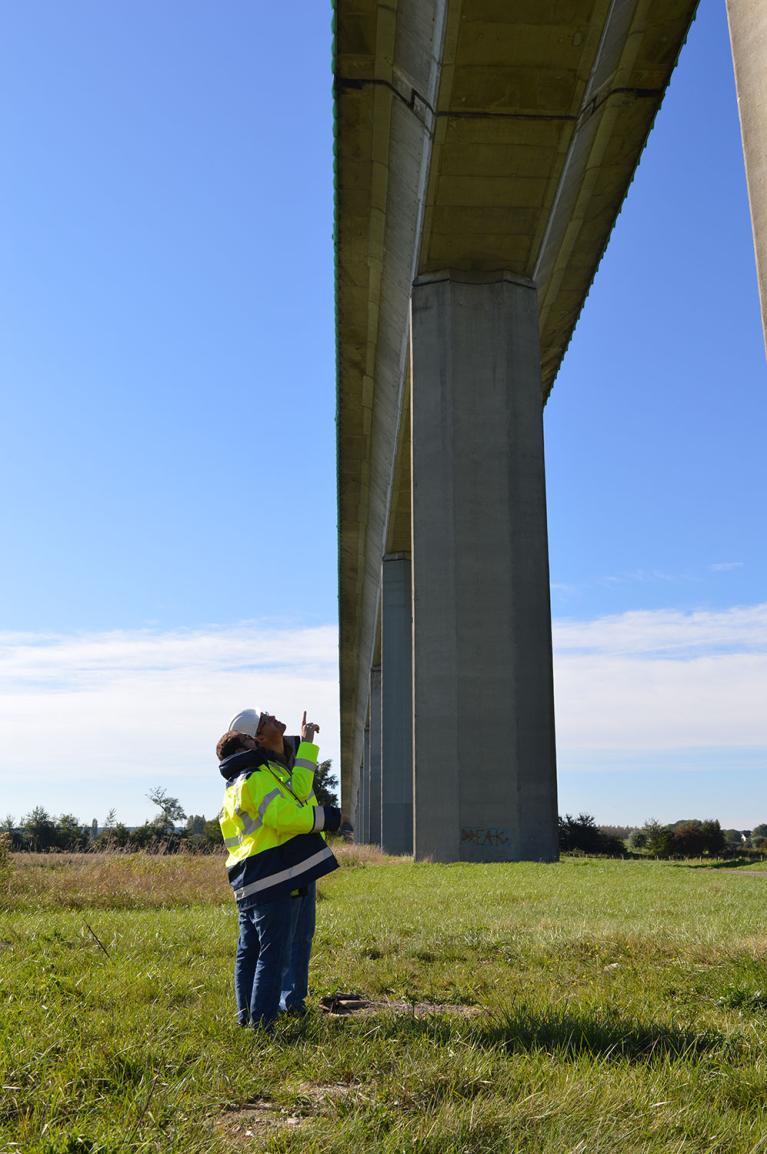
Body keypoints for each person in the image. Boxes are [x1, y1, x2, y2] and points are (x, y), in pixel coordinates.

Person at [217, 709, 341, 1029]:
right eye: (264, 719)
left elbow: (295, 791)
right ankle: (263, 1026)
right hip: (272, 874)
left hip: (249, 877)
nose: (272, 717)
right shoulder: (258, 776)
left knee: (250, 953)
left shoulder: (238, 783)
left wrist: (306, 744)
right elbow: (283, 816)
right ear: (251, 741)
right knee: (272, 956)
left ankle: (247, 1019)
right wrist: (328, 818)